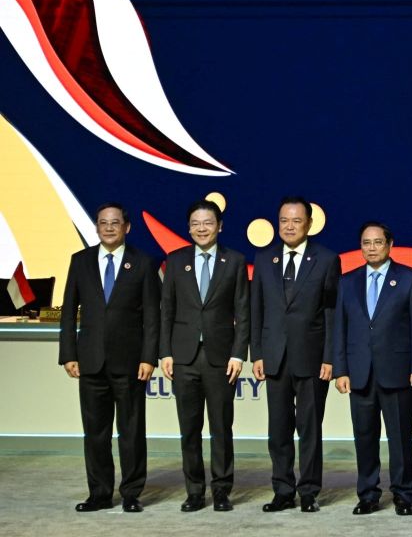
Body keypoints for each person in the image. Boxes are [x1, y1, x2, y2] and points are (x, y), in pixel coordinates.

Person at [58, 202, 160, 513]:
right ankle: (99, 494)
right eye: (103, 223)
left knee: (131, 431)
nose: (109, 228)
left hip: (130, 363)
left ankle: (131, 493)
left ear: (127, 227)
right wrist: (68, 354)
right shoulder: (80, 261)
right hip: (90, 361)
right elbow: (67, 312)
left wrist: (149, 358)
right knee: (95, 433)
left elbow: (153, 317)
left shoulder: (143, 263)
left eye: (116, 222)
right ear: (97, 227)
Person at [250, 196, 340, 513]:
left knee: (310, 429)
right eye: (284, 221)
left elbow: (331, 314)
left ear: (309, 224)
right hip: (274, 356)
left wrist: (331, 357)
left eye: (296, 221)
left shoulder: (327, 259)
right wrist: (257, 353)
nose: (289, 226)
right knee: (278, 429)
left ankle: (309, 492)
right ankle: (283, 490)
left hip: (313, 358)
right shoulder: (264, 259)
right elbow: (256, 310)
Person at [333, 221, 412, 516]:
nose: (371, 248)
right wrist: (341, 369)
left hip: (398, 372)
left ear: (390, 245)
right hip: (360, 373)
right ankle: (368, 495)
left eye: (377, 242)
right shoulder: (347, 282)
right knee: (364, 437)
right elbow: (340, 328)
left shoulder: (410, 278)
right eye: (366, 243)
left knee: (400, 438)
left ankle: (403, 495)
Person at [159, 198, 250, 513]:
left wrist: (239, 354)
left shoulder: (235, 261)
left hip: (221, 358)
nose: (201, 228)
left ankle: (222, 490)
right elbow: (166, 310)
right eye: (196, 223)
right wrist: (165, 352)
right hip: (183, 357)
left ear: (220, 226)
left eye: (208, 223)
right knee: (190, 428)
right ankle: (194, 491)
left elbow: (243, 311)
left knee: (221, 428)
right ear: (188, 227)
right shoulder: (174, 261)